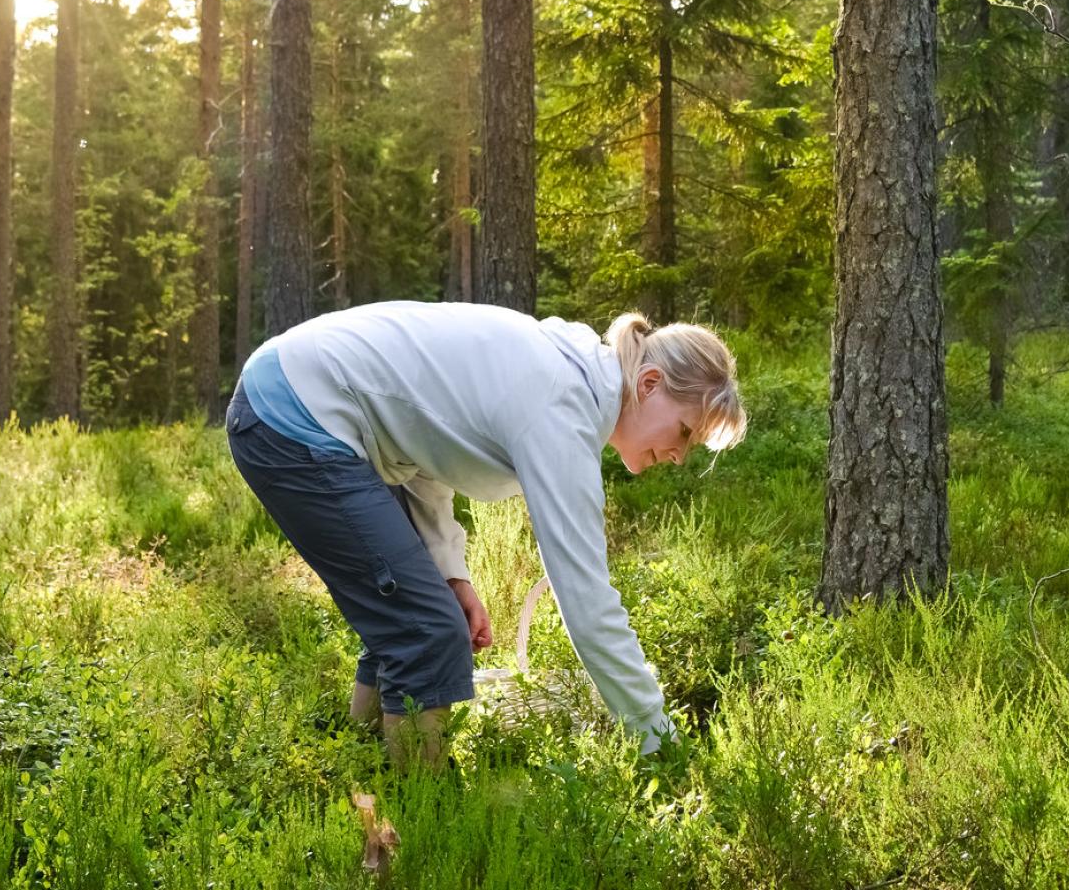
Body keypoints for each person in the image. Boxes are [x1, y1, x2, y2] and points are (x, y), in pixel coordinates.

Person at [223, 301, 746, 767]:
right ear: (649, 384)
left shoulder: (568, 369)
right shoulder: (561, 406)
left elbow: (425, 447)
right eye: (683, 431)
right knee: (426, 629)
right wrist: (659, 740)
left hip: (295, 393)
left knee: (421, 610)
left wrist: (451, 573)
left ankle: (359, 754)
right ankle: (424, 815)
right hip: (292, 415)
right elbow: (587, 605)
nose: (679, 455)